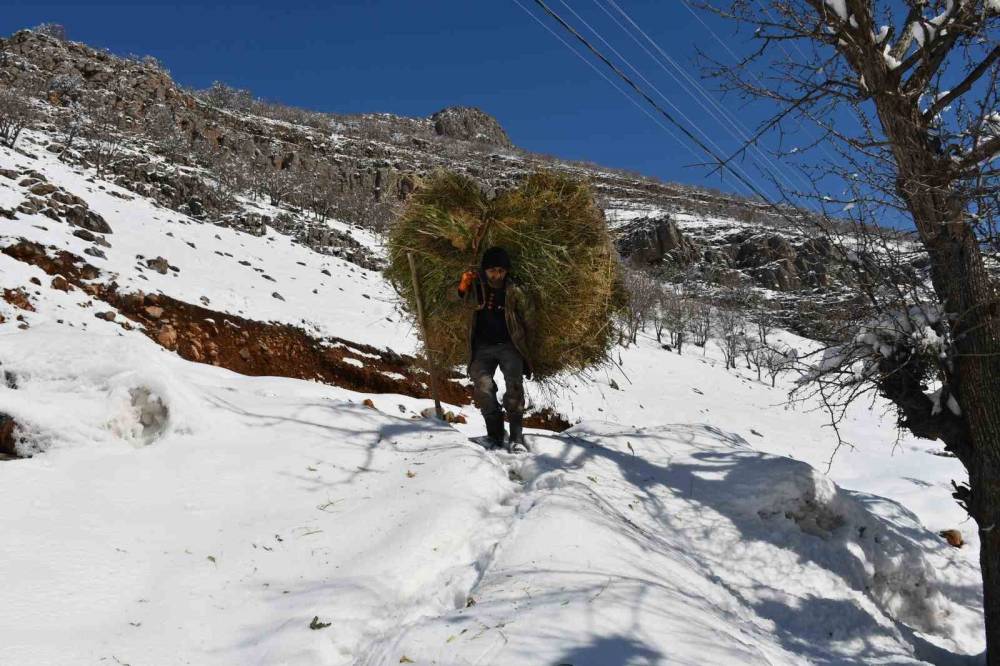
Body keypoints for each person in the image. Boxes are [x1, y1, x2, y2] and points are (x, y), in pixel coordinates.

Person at [456, 246, 534, 452]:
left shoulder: (514, 290)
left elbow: (529, 316)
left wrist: (528, 345)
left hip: (510, 346)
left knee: (514, 389)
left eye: (501, 270)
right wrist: (463, 285)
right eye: (492, 270)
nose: (497, 275)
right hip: (482, 347)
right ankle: (495, 435)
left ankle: (517, 438)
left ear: (506, 271)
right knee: (483, 390)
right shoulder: (476, 285)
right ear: (485, 270)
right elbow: (455, 301)